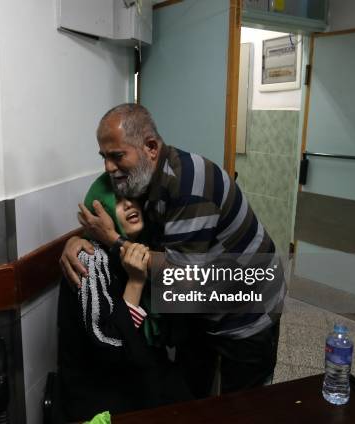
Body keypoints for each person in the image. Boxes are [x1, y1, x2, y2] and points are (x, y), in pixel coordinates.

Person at [60, 103, 286, 399]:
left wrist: (115, 241)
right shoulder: (145, 178)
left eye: (116, 156)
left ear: (151, 147)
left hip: (245, 310)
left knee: (243, 406)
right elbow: (110, 215)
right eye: (104, 157)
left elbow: (184, 278)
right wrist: (77, 240)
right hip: (199, 311)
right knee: (192, 396)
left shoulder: (188, 186)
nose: (108, 168)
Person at [57, 173, 191, 422]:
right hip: (102, 394)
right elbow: (111, 346)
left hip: (137, 374)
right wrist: (136, 281)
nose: (128, 204)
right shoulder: (88, 258)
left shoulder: (142, 244)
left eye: (130, 197)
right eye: (117, 201)